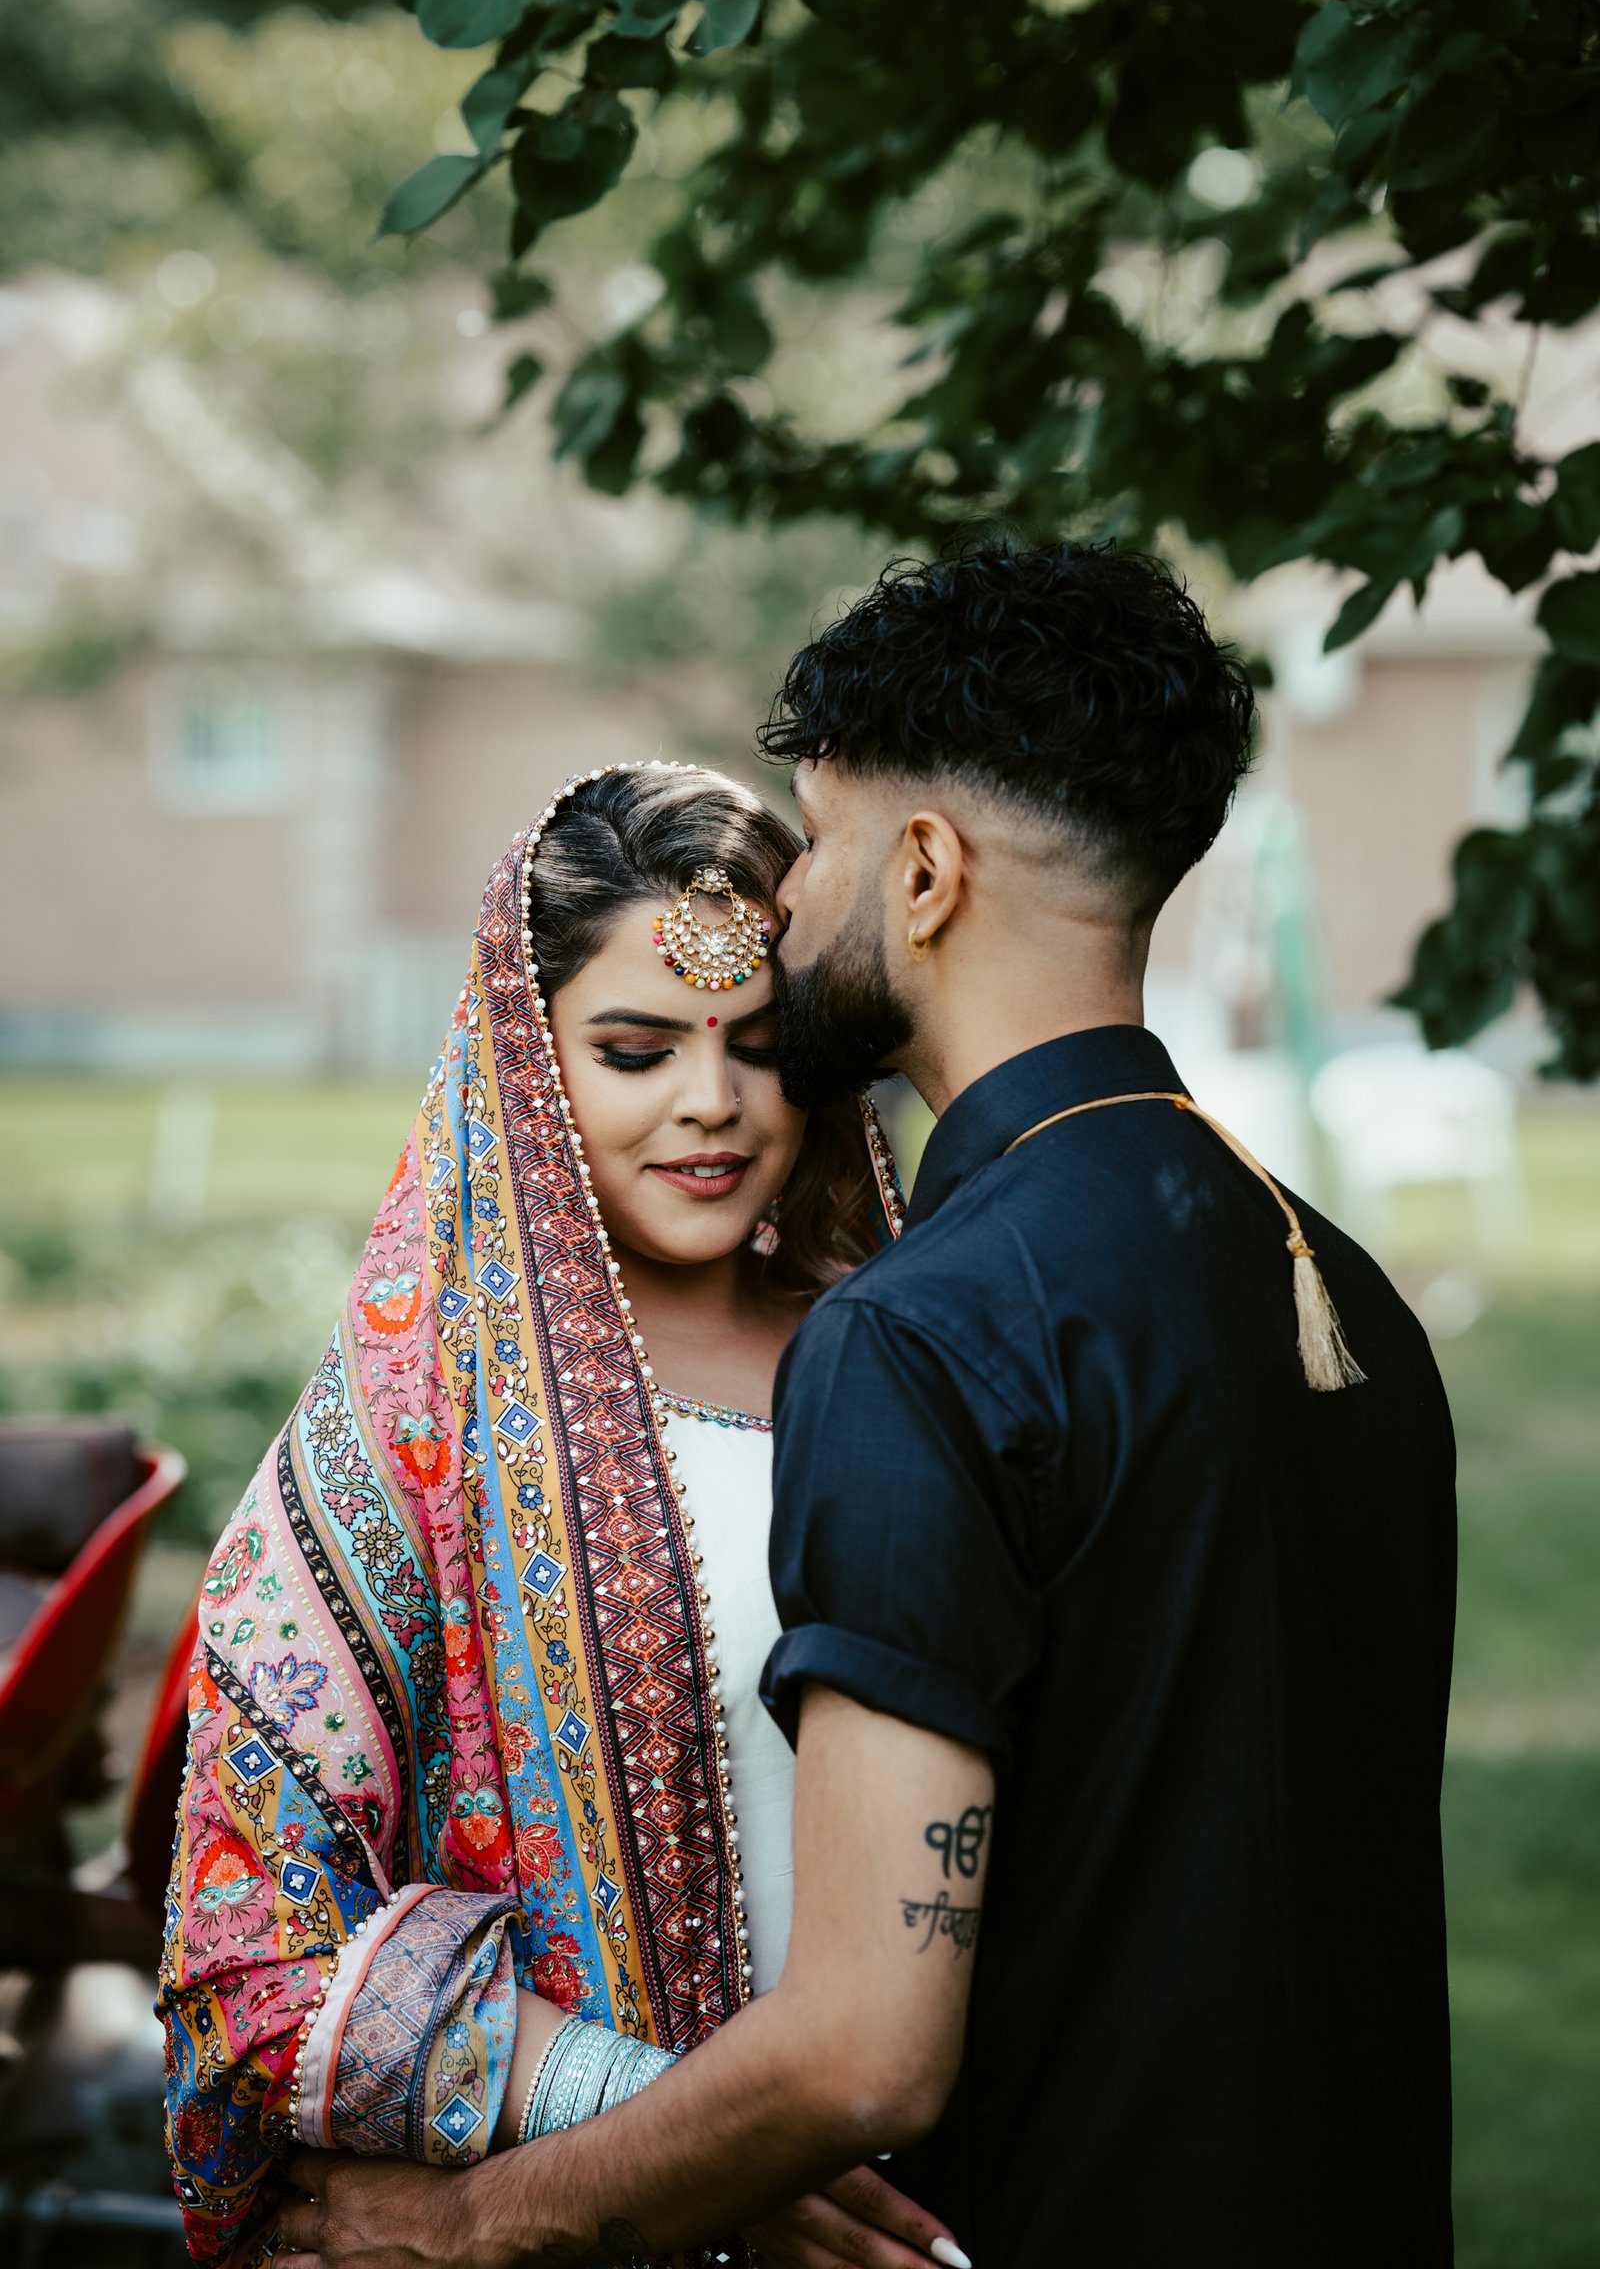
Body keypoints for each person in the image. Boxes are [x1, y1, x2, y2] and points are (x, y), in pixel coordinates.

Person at [276, 539, 1456, 2269]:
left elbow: (863, 2050)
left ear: (921, 871)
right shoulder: (1342, 1290)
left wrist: (465, 2233)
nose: (794, 892)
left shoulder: (927, 1333)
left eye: (817, 838)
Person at [161, 762, 958, 2269]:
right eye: (638, 1050)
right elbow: (253, 1945)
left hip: (955, 2184)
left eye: (763, 1047)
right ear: (528, 1067)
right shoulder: (411, 1428)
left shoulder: (915, 1352)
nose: (711, 1104)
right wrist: (706, 2141)